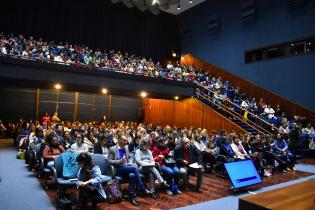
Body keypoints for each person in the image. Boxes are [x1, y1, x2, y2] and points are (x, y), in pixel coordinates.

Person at [108, 135, 149, 206]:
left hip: (126, 168)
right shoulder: (112, 149)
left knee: (132, 175)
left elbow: (128, 157)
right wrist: (119, 161)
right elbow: (109, 161)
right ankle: (142, 187)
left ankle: (131, 196)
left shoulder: (126, 148)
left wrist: (130, 162)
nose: (126, 142)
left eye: (126, 140)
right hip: (118, 169)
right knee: (134, 168)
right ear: (120, 141)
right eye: (124, 141)